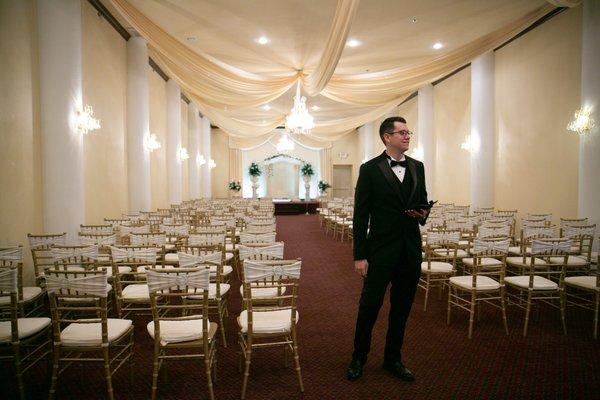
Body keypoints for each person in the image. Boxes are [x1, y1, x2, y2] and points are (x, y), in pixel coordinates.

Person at [346, 116, 430, 382]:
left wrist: (422, 213)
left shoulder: (418, 166)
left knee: (402, 309)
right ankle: (358, 357)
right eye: (402, 132)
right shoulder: (370, 169)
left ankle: (393, 358)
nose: (408, 136)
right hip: (380, 250)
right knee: (369, 307)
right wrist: (359, 255)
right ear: (387, 137)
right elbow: (361, 216)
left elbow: (422, 203)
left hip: (410, 249)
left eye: (408, 132)